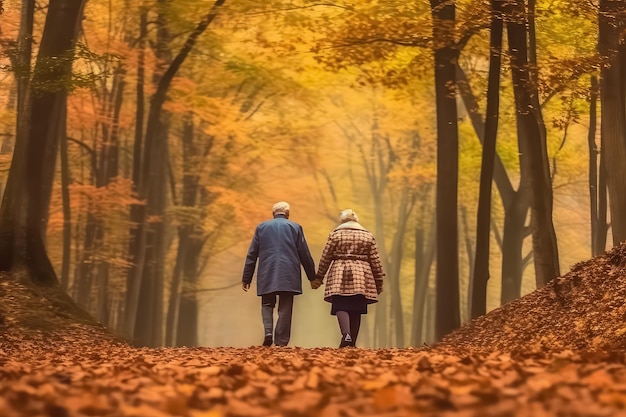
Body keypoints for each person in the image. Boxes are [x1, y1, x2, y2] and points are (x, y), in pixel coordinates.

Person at [242, 201, 316, 347]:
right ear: (287, 214)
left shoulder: (261, 228)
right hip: (289, 273)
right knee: (285, 307)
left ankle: (268, 333)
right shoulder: (296, 228)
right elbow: (304, 254)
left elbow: (252, 254)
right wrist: (312, 277)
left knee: (267, 303)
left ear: (273, 213)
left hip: (267, 270)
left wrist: (247, 277)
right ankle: (281, 342)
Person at [311, 209, 385, 348]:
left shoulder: (335, 235)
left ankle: (346, 335)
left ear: (342, 221)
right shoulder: (368, 236)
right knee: (357, 307)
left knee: (340, 303)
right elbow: (375, 260)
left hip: (340, 270)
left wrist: (319, 276)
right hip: (361, 274)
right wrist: (378, 280)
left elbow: (326, 257)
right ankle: (352, 343)